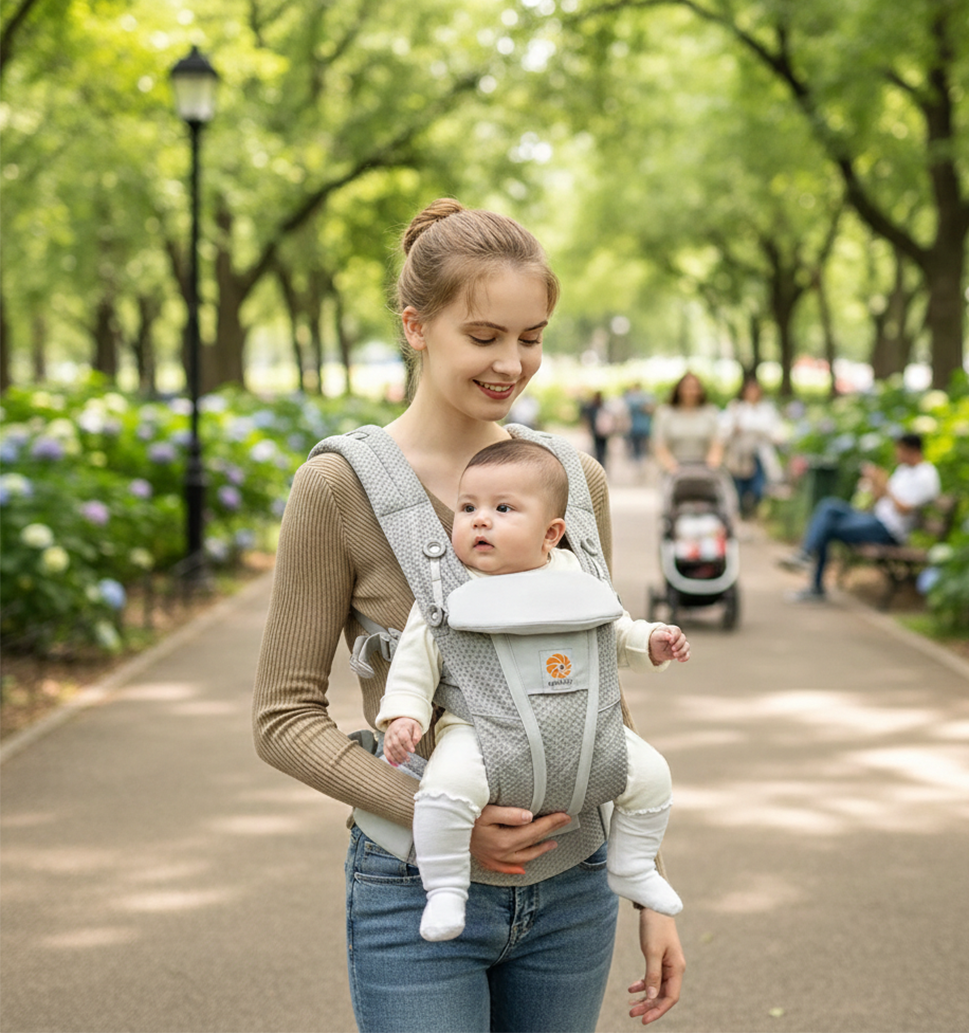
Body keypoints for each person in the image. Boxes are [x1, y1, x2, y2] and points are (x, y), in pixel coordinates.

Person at [253, 198, 685, 1032]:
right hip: (416, 894)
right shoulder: (339, 487)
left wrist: (650, 890)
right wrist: (433, 819)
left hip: (575, 891)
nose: (512, 364)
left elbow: (598, 696)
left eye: (532, 337)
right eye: (483, 337)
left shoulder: (573, 480)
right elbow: (283, 718)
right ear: (416, 326)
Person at [378, 439, 689, 942]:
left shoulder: (576, 576)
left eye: (503, 509)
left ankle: (632, 868)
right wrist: (405, 716)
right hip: (482, 732)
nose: (481, 520)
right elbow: (416, 661)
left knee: (652, 775)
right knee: (441, 792)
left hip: (581, 732)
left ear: (551, 534)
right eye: (468, 507)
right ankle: (446, 889)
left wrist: (650, 643)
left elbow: (609, 635)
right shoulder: (446, 590)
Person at [779, 431, 941, 602]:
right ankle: (805, 554)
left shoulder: (926, 475)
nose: (896, 454)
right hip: (875, 520)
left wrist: (885, 484)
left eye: (899, 450)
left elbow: (903, 509)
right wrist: (874, 482)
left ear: (911, 450)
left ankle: (815, 583)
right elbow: (882, 498)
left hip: (889, 531)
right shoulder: (903, 470)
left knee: (827, 529)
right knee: (829, 506)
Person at [720, 374, 784, 518]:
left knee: (758, 488)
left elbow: (777, 433)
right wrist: (734, 430)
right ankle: (743, 513)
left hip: (760, 455)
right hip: (740, 456)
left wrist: (764, 433)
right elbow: (724, 432)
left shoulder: (768, 410)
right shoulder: (736, 408)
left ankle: (753, 510)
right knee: (740, 488)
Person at [651, 372, 724, 475]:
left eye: (695, 388)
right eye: (687, 388)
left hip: (704, 471)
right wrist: (671, 467)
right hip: (674, 471)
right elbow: (659, 445)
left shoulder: (710, 413)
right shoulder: (665, 413)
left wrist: (711, 465)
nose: (691, 392)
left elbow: (717, 443)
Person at [623, 382, 656, 473]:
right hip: (638, 428)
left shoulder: (631, 398)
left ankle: (639, 464)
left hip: (639, 428)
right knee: (639, 447)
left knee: (639, 448)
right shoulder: (645, 398)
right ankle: (640, 465)